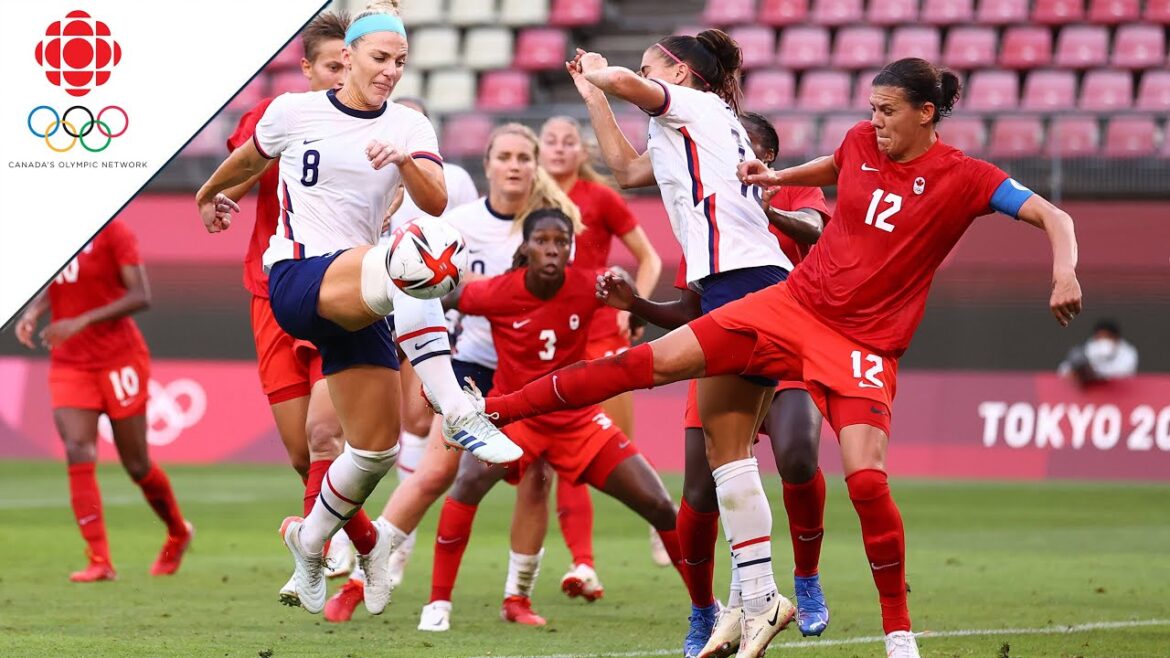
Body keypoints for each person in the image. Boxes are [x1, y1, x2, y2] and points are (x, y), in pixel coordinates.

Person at [471, 58, 1084, 658]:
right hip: (794, 305)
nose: (875, 121)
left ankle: (897, 633)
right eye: (872, 109)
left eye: (887, 111)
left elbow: (1053, 216)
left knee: (865, 480)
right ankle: (496, 410)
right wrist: (774, 176)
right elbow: (837, 164)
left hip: (865, 343)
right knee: (647, 366)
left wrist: (1064, 273)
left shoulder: (968, 176)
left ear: (926, 113)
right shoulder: (859, 140)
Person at [195, 0, 521, 616]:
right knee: (416, 256)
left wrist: (402, 160)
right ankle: (455, 405)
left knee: (374, 452)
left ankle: (309, 539)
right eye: (380, 57)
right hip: (299, 278)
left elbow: (435, 197)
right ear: (347, 58)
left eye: (401, 60)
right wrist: (210, 191)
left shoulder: (409, 126)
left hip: (366, 289)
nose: (391, 70)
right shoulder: (293, 111)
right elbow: (251, 156)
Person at [561, 31, 799, 657]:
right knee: (729, 451)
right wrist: (593, 95)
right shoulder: (686, 126)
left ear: (681, 74)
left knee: (720, 445)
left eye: (652, 68)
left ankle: (762, 599)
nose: (642, 76)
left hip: (744, 280)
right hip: (739, 281)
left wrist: (602, 70)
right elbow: (625, 170)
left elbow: (628, 83)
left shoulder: (696, 105)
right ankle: (750, 601)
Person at [321, 123, 585, 624]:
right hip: (470, 363)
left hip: (529, 371)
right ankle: (363, 577)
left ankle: (517, 598)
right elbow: (415, 285)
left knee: (537, 477)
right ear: (487, 166)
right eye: (504, 157)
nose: (514, 166)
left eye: (523, 158)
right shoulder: (457, 225)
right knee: (436, 472)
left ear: (536, 167)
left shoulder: (554, 225)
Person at [596, 111, 835, 654]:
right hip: (721, 352)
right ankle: (704, 610)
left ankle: (806, 579)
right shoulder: (705, 215)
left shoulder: (793, 191)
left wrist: (770, 209)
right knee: (700, 492)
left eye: (741, 144)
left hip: (785, 347)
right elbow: (689, 310)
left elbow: (818, 232)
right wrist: (635, 304)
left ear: (766, 156)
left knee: (798, 455)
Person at [422, 208, 684, 630]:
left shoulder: (587, 284)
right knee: (467, 483)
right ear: (525, 247)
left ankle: (706, 608)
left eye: (561, 242)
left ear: (571, 249)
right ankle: (438, 604)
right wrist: (411, 331)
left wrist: (634, 310)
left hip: (576, 420)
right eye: (542, 241)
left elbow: (622, 281)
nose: (551, 249)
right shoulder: (497, 292)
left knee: (659, 504)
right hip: (515, 417)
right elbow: (444, 300)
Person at [220, 9, 372, 585]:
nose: (342, 77)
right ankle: (366, 541)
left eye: (348, 65)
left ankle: (317, 549)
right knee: (301, 453)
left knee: (325, 432)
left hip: (335, 290)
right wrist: (219, 198)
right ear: (306, 69)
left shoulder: (370, 123)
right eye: (332, 66)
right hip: (272, 290)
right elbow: (243, 166)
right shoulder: (275, 114)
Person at [323, 96, 482, 618]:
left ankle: (386, 550)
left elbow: (460, 245)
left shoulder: (451, 181)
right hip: (364, 299)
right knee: (350, 429)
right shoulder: (354, 164)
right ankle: (347, 534)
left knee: (414, 420)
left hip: (419, 307)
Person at [15, 220, 193, 582]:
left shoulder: (113, 231)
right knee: (77, 448)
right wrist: (33, 312)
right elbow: (60, 281)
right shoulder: (54, 228)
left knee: (137, 465)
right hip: (70, 362)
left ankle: (178, 531)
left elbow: (140, 295)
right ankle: (99, 560)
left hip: (118, 359)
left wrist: (80, 321)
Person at [538, 115, 668, 596]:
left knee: (613, 444)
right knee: (565, 452)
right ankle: (583, 564)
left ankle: (661, 516)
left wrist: (633, 309)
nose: (558, 148)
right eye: (550, 140)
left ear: (582, 150)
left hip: (599, 335)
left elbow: (650, 258)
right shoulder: (526, 199)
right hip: (548, 340)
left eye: (568, 141)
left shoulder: (601, 198)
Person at [1058, 318, 1138, 385]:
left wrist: (1094, 372)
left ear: (1116, 337)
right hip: (1090, 394)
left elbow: (1124, 373)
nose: (1103, 340)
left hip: (1118, 394)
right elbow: (1064, 370)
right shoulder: (1087, 348)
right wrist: (1077, 371)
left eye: (1107, 336)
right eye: (1100, 336)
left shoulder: (1128, 352)